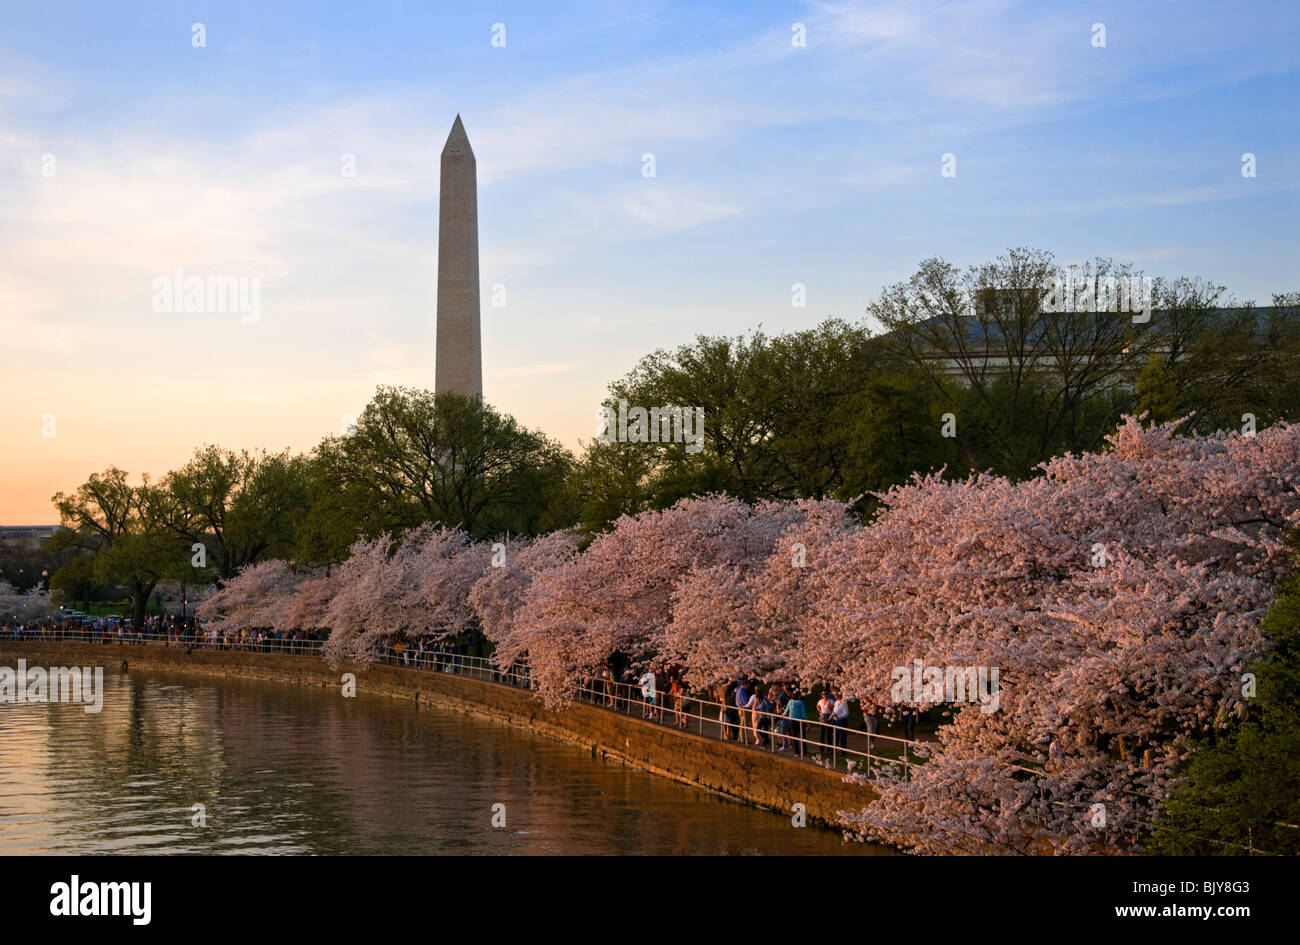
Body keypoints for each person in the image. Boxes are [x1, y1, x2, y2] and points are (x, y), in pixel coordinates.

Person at [783, 688, 808, 755]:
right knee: (802, 736)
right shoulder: (800, 703)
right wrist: (806, 722)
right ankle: (804, 751)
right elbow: (803, 713)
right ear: (799, 696)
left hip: (792, 721)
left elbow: (787, 710)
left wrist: (783, 715)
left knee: (794, 736)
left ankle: (796, 752)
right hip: (799, 721)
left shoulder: (790, 702)